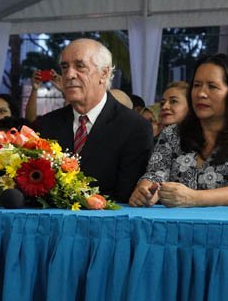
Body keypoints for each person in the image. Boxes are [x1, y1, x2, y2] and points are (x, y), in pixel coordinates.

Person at [129, 54, 228, 208]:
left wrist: (193, 198)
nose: (201, 94)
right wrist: (145, 190)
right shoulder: (171, 134)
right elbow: (155, 174)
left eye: (212, 86)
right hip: (177, 222)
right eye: (196, 85)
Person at [35, 38, 153, 203]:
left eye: (80, 66)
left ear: (103, 74)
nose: (69, 75)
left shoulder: (134, 127)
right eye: (65, 67)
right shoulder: (47, 124)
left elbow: (126, 194)